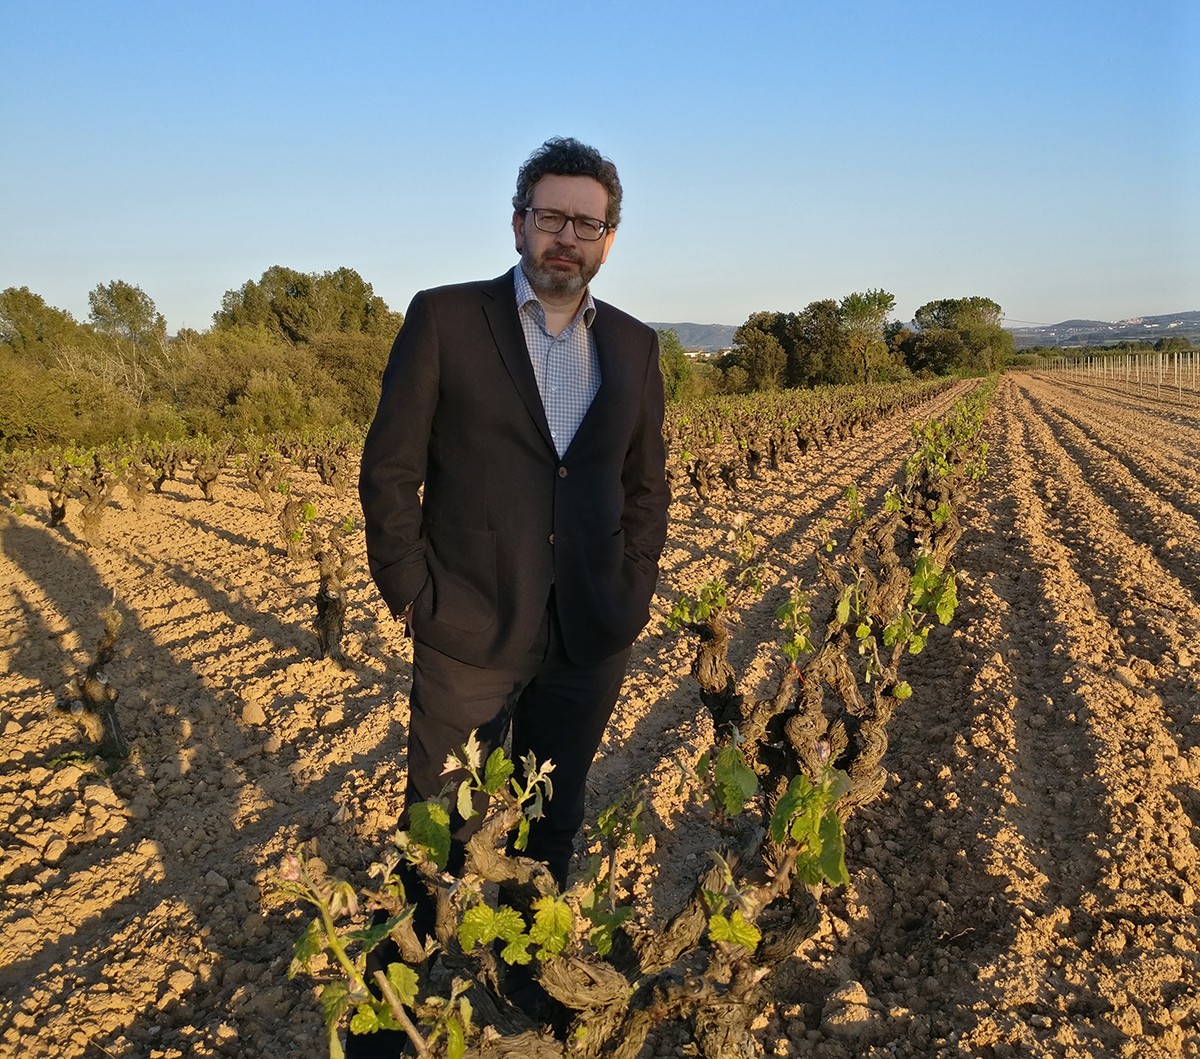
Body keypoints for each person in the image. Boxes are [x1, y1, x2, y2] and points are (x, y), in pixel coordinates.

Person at [352, 137, 669, 1051]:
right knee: (435, 822)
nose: (567, 237)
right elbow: (390, 468)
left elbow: (645, 487)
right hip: (468, 626)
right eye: (551, 217)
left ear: (609, 237)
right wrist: (409, 587)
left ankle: (529, 978)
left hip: (590, 631)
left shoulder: (637, 345)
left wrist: (633, 589)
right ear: (519, 222)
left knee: (556, 810)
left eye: (587, 222)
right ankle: (391, 1010)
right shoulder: (448, 319)